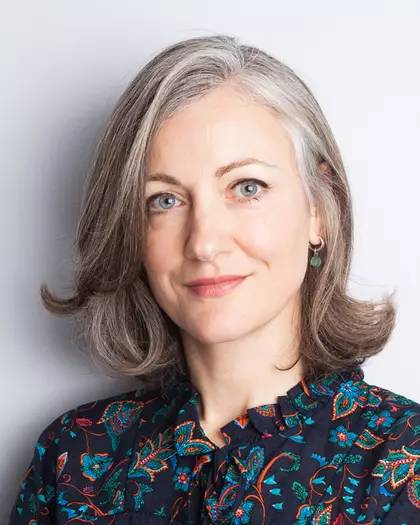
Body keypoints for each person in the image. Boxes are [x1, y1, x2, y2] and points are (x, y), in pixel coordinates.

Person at [9, 34, 420, 525]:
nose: (203, 242)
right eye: (164, 200)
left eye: (247, 188)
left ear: (319, 210)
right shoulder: (72, 459)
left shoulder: (405, 464)